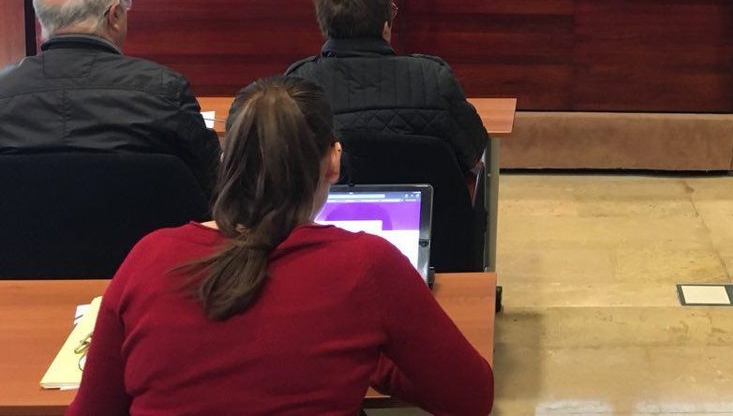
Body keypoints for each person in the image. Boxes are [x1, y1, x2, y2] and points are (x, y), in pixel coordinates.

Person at [66, 75, 493, 416]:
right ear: (334, 161)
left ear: (225, 160)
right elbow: (471, 397)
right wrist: (374, 358)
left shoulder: (149, 256)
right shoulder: (368, 266)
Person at [0, 0, 218, 199]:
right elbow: (212, 181)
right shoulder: (165, 89)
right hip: (143, 223)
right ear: (114, 15)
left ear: (42, 20)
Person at [286, 0, 487, 177]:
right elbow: (473, 150)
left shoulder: (299, 85)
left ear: (325, 28)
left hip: (328, 198)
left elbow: (286, 164)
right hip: (430, 198)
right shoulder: (434, 79)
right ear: (385, 27)